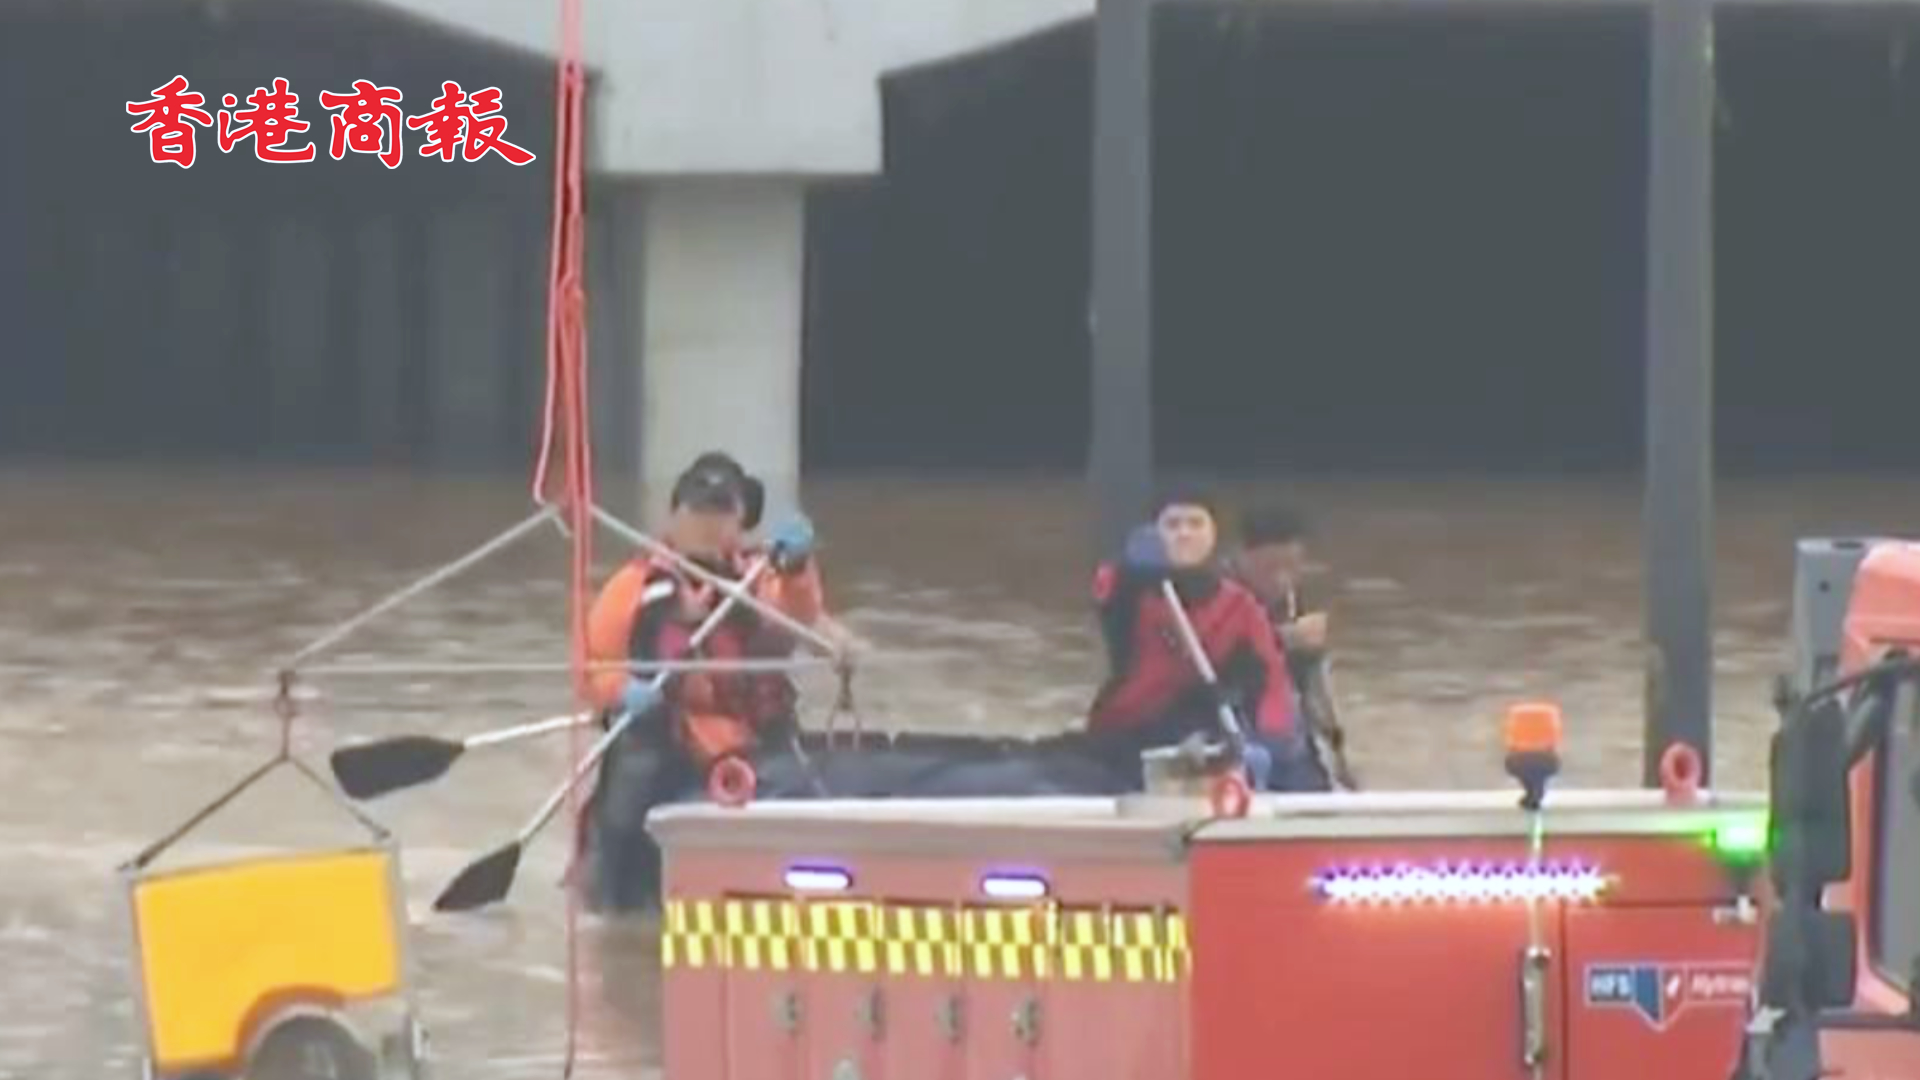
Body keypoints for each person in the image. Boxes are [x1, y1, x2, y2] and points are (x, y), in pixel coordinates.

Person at [581, 451, 841, 909]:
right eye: (697, 511)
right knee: (624, 819)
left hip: (752, 744)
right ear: (675, 514)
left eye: (722, 513)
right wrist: (621, 690)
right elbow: (593, 666)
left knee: (797, 805)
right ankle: (615, 911)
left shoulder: (762, 578)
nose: (707, 525)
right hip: (663, 739)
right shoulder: (633, 586)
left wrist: (799, 568)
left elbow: (803, 622)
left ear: (741, 521)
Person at [1085, 490, 1327, 792]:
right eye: (1173, 525)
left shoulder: (1239, 605)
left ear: (1213, 535)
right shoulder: (1131, 590)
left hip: (1210, 728)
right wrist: (1130, 568)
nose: (1184, 533)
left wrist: (1272, 737)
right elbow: (1107, 589)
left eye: (1195, 524)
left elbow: (1270, 680)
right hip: (1132, 729)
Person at [1227, 503, 1355, 788]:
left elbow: (1316, 693)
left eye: (1292, 568)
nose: (1282, 579)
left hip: (1288, 735)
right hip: (1232, 729)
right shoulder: (1218, 598)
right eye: (1270, 569)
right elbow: (1210, 658)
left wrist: (1340, 760)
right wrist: (1282, 639)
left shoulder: (1294, 602)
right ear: (1241, 558)